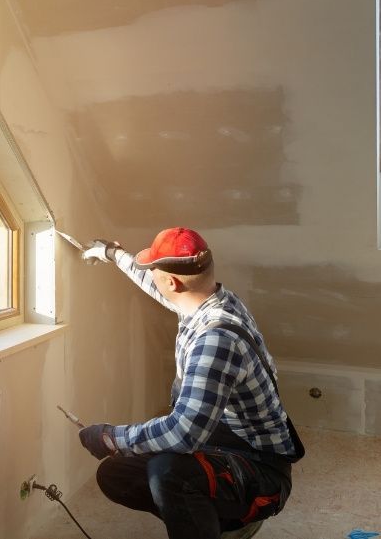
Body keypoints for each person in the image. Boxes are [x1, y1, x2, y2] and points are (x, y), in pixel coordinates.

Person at [79, 227, 304, 539]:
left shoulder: (214, 340)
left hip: (261, 470)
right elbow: (157, 286)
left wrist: (110, 437)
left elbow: (182, 433)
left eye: (153, 271)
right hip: (222, 442)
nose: (152, 277)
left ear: (173, 282)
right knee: (116, 474)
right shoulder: (216, 301)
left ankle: (238, 518)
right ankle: (212, 520)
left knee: (168, 474)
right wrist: (113, 254)